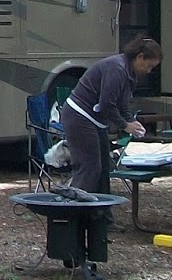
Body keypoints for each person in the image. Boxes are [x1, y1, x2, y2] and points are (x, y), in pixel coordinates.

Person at [59, 35, 157, 194]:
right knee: (90, 167)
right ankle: (76, 212)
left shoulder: (130, 74)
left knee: (104, 168)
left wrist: (131, 121)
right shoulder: (117, 69)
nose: (149, 70)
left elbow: (122, 104)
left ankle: (101, 215)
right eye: (149, 65)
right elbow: (106, 105)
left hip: (95, 120)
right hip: (79, 115)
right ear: (140, 57)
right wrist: (125, 125)